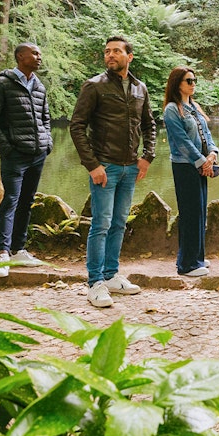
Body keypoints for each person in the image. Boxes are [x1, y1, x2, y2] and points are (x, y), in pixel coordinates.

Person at [70, 36, 157, 308]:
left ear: (129, 56)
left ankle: (110, 276)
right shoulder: (94, 86)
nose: (110, 55)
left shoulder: (140, 88)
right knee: (101, 224)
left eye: (116, 51)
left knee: (119, 223)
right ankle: (95, 282)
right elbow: (76, 126)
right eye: (107, 51)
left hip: (130, 167)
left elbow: (150, 126)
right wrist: (92, 165)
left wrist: (147, 157)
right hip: (104, 167)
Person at [0, 43, 52, 278]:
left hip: (37, 153)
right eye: (35, 53)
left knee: (26, 201)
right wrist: (6, 148)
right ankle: (2, 252)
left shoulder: (39, 86)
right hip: (15, 155)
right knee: (9, 200)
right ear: (21, 57)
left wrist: (47, 142)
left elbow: (45, 117)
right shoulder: (2, 84)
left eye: (40, 54)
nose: (39, 57)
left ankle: (19, 249)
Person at [163, 66, 218, 277]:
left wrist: (212, 154)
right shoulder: (172, 110)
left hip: (202, 165)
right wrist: (202, 162)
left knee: (200, 212)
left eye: (194, 80)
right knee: (189, 214)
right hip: (185, 166)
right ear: (178, 84)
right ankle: (186, 265)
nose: (193, 84)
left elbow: (207, 135)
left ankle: (198, 258)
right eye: (189, 80)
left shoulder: (194, 107)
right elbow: (182, 141)